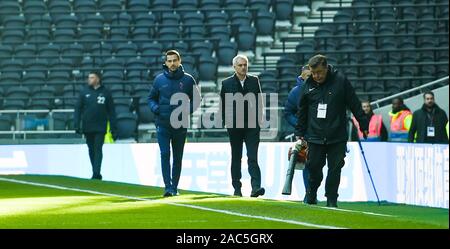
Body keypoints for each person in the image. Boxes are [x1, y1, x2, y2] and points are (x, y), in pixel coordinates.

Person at [294, 54, 368, 207]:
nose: (316, 76)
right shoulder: (308, 84)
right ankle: (312, 192)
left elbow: (354, 103)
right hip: (314, 136)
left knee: (335, 169)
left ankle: (331, 198)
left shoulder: (340, 81)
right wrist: (299, 132)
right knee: (314, 167)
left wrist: (363, 123)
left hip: (337, 135)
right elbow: (302, 111)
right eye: (313, 73)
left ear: (326, 68)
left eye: (319, 72)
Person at [148, 50, 200, 197]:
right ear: (165, 63)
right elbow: (151, 98)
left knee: (177, 157)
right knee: (165, 154)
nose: (172, 63)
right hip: (162, 124)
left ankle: (174, 187)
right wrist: (155, 108)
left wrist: (186, 112)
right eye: (169, 61)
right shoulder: (159, 80)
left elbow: (197, 100)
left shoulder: (188, 80)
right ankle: (167, 187)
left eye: (174, 60)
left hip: (180, 124)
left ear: (179, 61)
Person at [220, 54, 265, 198]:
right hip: (234, 126)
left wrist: (259, 121)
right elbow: (223, 104)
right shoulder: (226, 83)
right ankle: (237, 187)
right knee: (236, 156)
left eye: (245, 65)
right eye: (240, 65)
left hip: (252, 125)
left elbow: (259, 101)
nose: (243, 67)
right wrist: (225, 122)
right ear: (234, 67)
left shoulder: (254, 80)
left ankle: (256, 187)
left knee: (253, 156)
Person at [74, 71, 117, 180]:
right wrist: (76, 124)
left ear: (98, 79)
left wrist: (113, 127)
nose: (89, 79)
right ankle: (95, 171)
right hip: (87, 126)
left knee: (98, 148)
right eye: (89, 77)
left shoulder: (106, 92)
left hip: (100, 126)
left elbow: (111, 111)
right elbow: (78, 109)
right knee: (91, 149)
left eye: (92, 77)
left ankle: (96, 173)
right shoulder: (84, 92)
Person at [283, 65, 312, 201]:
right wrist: (299, 124)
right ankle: (309, 192)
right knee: (307, 163)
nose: (311, 78)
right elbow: (288, 112)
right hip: (306, 134)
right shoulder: (295, 92)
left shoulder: (323, 90)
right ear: (302, 77)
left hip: (322, 132)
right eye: (308, 76)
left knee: (318, 164)